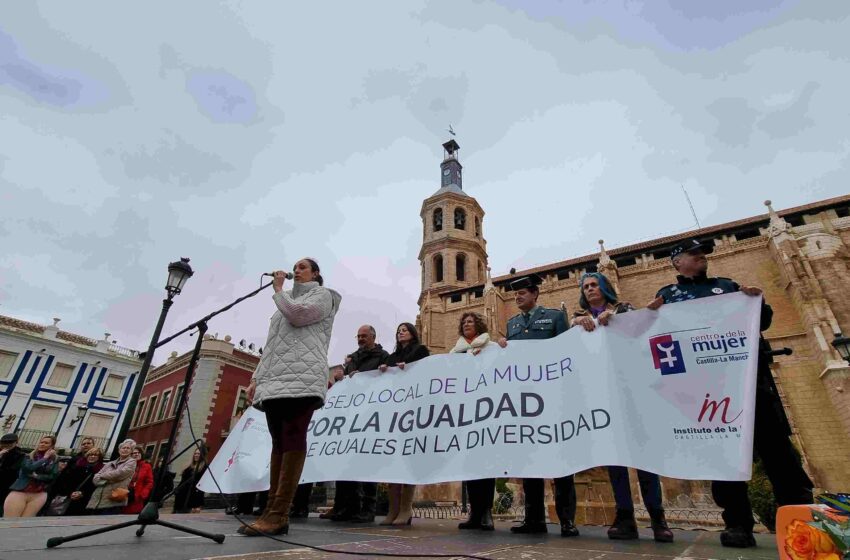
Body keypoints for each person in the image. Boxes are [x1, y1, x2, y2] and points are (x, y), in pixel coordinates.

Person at [648, 238, 814, 548]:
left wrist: (755, 301)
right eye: (694, 254)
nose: (702, 258)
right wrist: (649, 316)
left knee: (779, 454)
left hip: (752, 385)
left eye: (703, 254)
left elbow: (761, 321)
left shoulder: (727, 286)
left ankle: (802, 521)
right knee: (723, 456)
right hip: (708, 391)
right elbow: (658, 339)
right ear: (676, 261)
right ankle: (737, 524)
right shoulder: (667, 297)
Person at [241, 258, 342, 536]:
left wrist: (277, 289)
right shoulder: (281, 304)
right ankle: (271, 511)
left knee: (293, 436)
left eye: (302, 267)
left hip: (303, 377)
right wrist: (255, 378)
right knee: (278, 443)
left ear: (315, 274)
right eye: (294, 267)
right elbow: (271, 346)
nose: (296, 270)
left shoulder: (323, 296)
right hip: (274, 380)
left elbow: (298, 314)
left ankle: (279, 512)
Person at [572, 272, 673, 543]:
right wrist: (579, 323)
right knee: (615, 460)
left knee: (644, 459)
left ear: (605, 287)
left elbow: (643, 333)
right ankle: (625, 516)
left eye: (594, 285)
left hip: (633, 393)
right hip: (603, 396)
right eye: (586, 287)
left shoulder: (625, 309)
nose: (591, 289)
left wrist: (618, 319)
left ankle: (657, 518)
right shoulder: (578, 319)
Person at [496, 274, 578, 537]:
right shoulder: (512, 324)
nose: (517, 297)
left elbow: (567, 352)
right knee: (530, 461)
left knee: (561, 462)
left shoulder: (554, 318)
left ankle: (567, 520)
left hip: (553, 398)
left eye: (522, 293)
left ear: (535, 294)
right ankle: (534, 520)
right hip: (526, 402)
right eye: (515, 294)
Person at [326, 325, 389, 523]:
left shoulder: (383, 356)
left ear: (373, 336)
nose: (360, 339)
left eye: (364, 336)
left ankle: (369, 509)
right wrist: (340, 378)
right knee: (346, 461)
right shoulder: (351, 358)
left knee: (367, 461)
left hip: (371, 415)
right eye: (359, 336)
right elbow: (343, 384)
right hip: (350, 416)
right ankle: (344, 507)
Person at [378, 322, 430, 526]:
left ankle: (406, 509)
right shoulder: (391, 357)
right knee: (393, 462)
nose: (400, 332)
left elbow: (426, 372)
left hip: (413, 410)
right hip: (394, 413)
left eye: (404, 330)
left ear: (413, 333)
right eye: (398, 330)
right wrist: (383, 369)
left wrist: (409, 370)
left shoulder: (421, 351)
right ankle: (393, 510)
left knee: (408, 461)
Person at [450, 312, 497, 532]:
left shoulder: (490, 346)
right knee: (469, 464)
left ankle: (486, 512)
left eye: (470, 321)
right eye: (464, 322)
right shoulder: (454, 352)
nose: (467, 324)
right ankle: (474, 513)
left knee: (485, 464)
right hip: (464, 412)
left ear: (478, 325)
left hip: (486, 411)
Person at [2, 435, 58, 517]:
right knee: (10, 521)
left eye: (46, 443)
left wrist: (37, 476)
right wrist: (44, 458)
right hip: (21, 490)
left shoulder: (54, 460)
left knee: (26, 523)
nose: (42, 444)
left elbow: (52, 476)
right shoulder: (29, 456)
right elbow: (29, 468)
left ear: (52, 446)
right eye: (41, 442)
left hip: (39, 493)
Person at [87, 439, 137, 514]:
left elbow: (120, 474)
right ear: (119, 450)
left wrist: (102, 476)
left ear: (131, 451)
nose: (125, 450)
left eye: (128, 448)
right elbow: (96, 478)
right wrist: (105, 478)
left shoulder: (131, 462)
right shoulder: (109, 464)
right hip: (98, 499)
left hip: (114, 498)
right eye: (123, 448)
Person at [65, 446, 105, 516]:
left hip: (87, 501)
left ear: (99, 457)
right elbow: (68, 482)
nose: (92, 456)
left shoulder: (101, 470)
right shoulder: (78, 467)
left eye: (95, 455)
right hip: (72, 499)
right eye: (90, 454)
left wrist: (82, 493)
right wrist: (71, 492)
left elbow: (97, 487)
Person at [173, 448, 206, 514]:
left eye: (198, 454)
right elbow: (183, 481)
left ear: (202, 455)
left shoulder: (203, 468)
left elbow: (202, 487)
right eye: (195, 453)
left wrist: (198, 504)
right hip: (181, 497)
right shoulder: (188, 467)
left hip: (192, 499)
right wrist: (177, 490)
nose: (196, 455)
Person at [0, 433, 26, 517]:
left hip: (7, 484)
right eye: (4, 443)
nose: (6, 445)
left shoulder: (20, 455)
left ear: (16, 442)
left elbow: (12, 470)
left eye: (9, 443)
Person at [123, 445, 154, 514]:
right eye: (134, 453)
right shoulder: (126, 465)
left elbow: (149, 482)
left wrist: (144, 493)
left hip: (137, 497)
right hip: (123, 495)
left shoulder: (147, 466)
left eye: (138, 452)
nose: (136, 454)